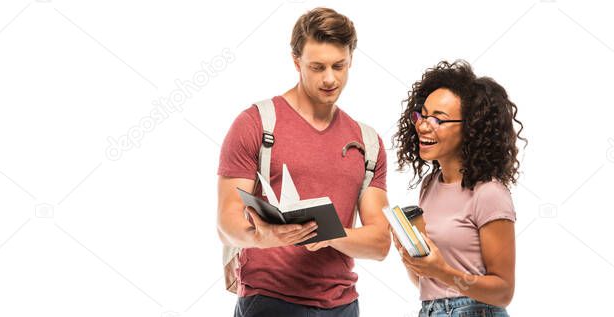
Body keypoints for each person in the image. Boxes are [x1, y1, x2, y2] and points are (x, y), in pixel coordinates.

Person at [216, 7, 390, 317]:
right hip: (268, 302)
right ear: (296, 62)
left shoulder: (368, 142)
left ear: (351, 60)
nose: (329, 78)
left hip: (344, 306)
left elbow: (380, 243)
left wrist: (327, 234)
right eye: (317, 67)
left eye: (339, 66)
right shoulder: (256, 124)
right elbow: (226, 223)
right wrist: (261, 237)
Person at [391, 60, 524, 316]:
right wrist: (411, 255)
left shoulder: (489, 194)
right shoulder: (430, 186)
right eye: (422, 114)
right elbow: (429, 284)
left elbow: (504, 291)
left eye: (438, 119)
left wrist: (443, 272)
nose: (422, 125)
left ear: (470, 128)